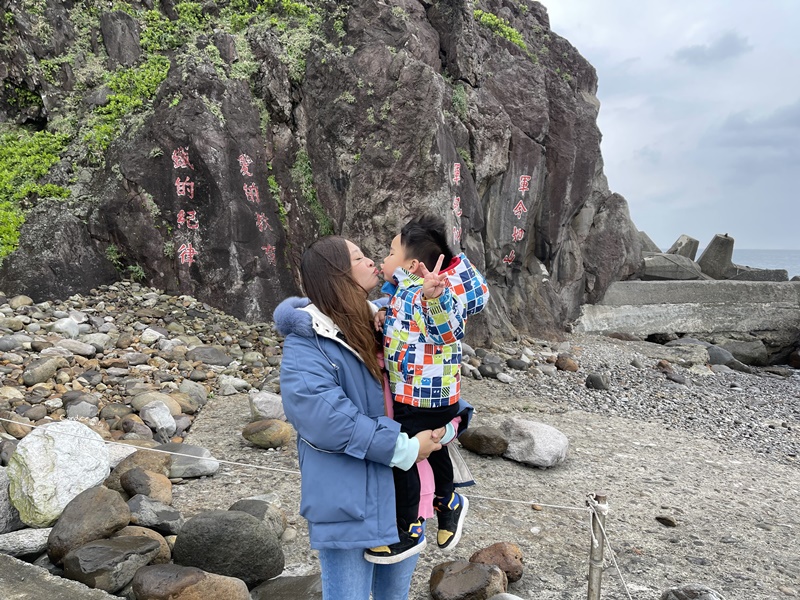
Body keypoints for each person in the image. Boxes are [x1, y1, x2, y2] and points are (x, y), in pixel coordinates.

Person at [273, 236, 444, 600]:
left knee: (393, 597)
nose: (370, 262)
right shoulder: (307, 341)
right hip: (348, 500)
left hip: (404, 492)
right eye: (358, 257)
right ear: (335, 273)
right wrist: (403, 447)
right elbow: (325, 418)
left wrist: (430, 299)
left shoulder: (384, 320)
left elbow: (435, 355)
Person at [365, 215, 489, 565]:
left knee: (402, 456)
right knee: (433, 447)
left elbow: (447, 332)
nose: (384, 259)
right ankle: (448, 501)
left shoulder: (427, 293)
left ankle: (407, 530)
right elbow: (402, 322)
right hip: (421, 392)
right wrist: (381, 313)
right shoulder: (401, 293)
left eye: (390, 252)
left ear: (413, 264)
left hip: (424, 393)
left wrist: (434, 298)